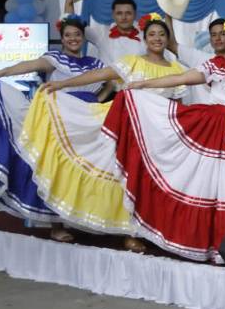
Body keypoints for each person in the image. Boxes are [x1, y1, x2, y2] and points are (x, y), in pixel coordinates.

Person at [106, 14, 225, 261]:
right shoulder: (217, 65)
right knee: (204, 185)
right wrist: (143, 85)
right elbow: (181, 78)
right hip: (209, 131)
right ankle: (201, 242)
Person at [20, 13, 186, 253]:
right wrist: (62, 84)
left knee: (152, 183)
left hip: (159, 133)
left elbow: (179, 105)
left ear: (167, 38)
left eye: (162, 34)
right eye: (152, 34)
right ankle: (129, 233)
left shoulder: (177, 68)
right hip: (130, 127)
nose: (157, 38)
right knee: (127, 180)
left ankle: (151, 230)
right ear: (145, 38)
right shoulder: (132, 62)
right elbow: (98, 76)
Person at [0, 14, 109, 242]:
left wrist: (98, 99)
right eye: (68, 35)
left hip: (89, 123)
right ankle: (56, 224)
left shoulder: (95, 63)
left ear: (83, 38)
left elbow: (111, 83)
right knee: (57, 169)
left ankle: (84, 218)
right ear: (62, 38)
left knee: (87, 168)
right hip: (61, 120)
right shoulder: (55, 59)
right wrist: (1, 72)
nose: (73, 39)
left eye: (77, 35)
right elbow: (28, 65)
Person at [65, 0, 144, 66]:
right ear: (113, 15)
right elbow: (71, 23)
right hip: (107, 80)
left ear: (135, 15)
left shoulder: (146, 36)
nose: (124, 17)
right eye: (119, 13)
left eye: (128, 13)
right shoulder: (102, 34)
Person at [165, 15, 225, 104]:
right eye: (214, 35)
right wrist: (168, 15)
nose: (218, 38)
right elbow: (171, 45)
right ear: (210, 39)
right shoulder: (200, 58)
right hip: (201, 114)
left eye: (222, 33)